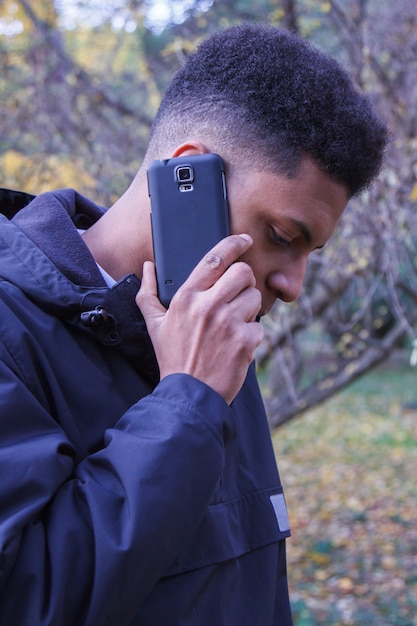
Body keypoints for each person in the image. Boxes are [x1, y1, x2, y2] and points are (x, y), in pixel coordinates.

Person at [0, 22, 387, 626]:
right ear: (188, 178)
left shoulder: (218, 335)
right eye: (283, 237)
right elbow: (28, 600)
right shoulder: (11, 330)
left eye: (310, 254)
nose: (293, 284)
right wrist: (186, 403)